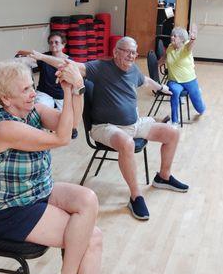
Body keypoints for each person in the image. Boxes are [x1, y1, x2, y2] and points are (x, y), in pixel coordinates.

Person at [31, 37, 189, 221]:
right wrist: (42, 57)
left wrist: (161, 87)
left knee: (172, 133)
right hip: (105, 127)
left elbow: (145, 80)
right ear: (115, 52)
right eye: (127, 51)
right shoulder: (101, 68)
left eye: (134, 52)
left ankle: (163, 176)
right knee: (127, 143)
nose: (131, 56)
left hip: (135, 124)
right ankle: (136, 196)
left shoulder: (133, 70)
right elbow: (70, 64)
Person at [0, 60, 102, 274]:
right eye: (25, 90)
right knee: (93, 239)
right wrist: (70, 90)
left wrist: (75, 89)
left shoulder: (34, 110)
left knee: (88, 198)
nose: (33, 93)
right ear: (7, 99)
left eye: (32, 86)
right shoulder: (4, 128)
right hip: (11, 210)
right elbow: (62, 138)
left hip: (38, 193)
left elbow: (70, 123)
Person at [159, 25, 206, 127]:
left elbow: (191, 44)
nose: (172, 37)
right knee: (174, 92)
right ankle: (175, 120)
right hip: (174, 81)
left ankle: (200, 101)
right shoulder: (170, 47)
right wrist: (157, 63)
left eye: (175, 36)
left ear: (181, 39)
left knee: (200, 108)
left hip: (190, 80)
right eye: (172, 35)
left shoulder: (185, 48)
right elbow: (165, 56)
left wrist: (193, 38)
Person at [34, 31, 79, 139]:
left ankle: (62, 135)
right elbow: (30, 61)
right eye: (51, 42)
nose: (53, 45)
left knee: (66, 120)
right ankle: (40, 136)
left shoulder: (69, 61)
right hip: (45, 93)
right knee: (40, 111)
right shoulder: (43, 57)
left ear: (63, 44)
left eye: (56, 42)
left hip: (61, 95)